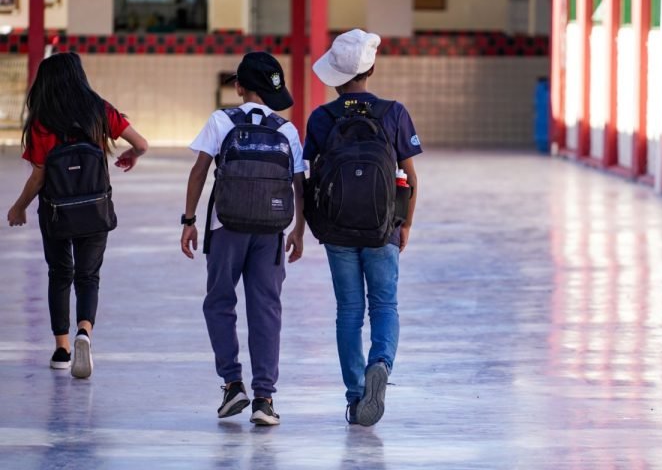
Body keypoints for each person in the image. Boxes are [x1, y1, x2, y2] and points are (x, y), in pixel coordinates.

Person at [180, 51, 306, 426]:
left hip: (225, 228)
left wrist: (188, 220)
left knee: (219, 302)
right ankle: (264, 398)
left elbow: (199, 171)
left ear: (238, 87)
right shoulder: (286, 130)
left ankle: (233, 384)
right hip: (271, 231)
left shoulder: (221, 120)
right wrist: (298, 229)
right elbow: (299, 183)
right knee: (266, 308)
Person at [304, 29, 423, 426]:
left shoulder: (322, 118)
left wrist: (306, 227)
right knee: (384, 305)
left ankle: (356, 398)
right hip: (382, 226)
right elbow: (410, 175)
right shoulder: (394, 113)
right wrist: (403, 224)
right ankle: (381, 365)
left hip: (336, 230)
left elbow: (306, 178)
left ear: (335, 76)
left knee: (349, 312)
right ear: (371, 68)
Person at [7, 52, 149, 379]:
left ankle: (61, 349)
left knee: (60, 274)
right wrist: (132, 154)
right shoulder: (100, 111)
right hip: (95, 208)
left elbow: (39, 176)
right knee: (88, 276)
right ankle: (84, 331)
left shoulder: (42, 121)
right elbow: (141, 143)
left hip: (56, 212)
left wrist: (19, 207)